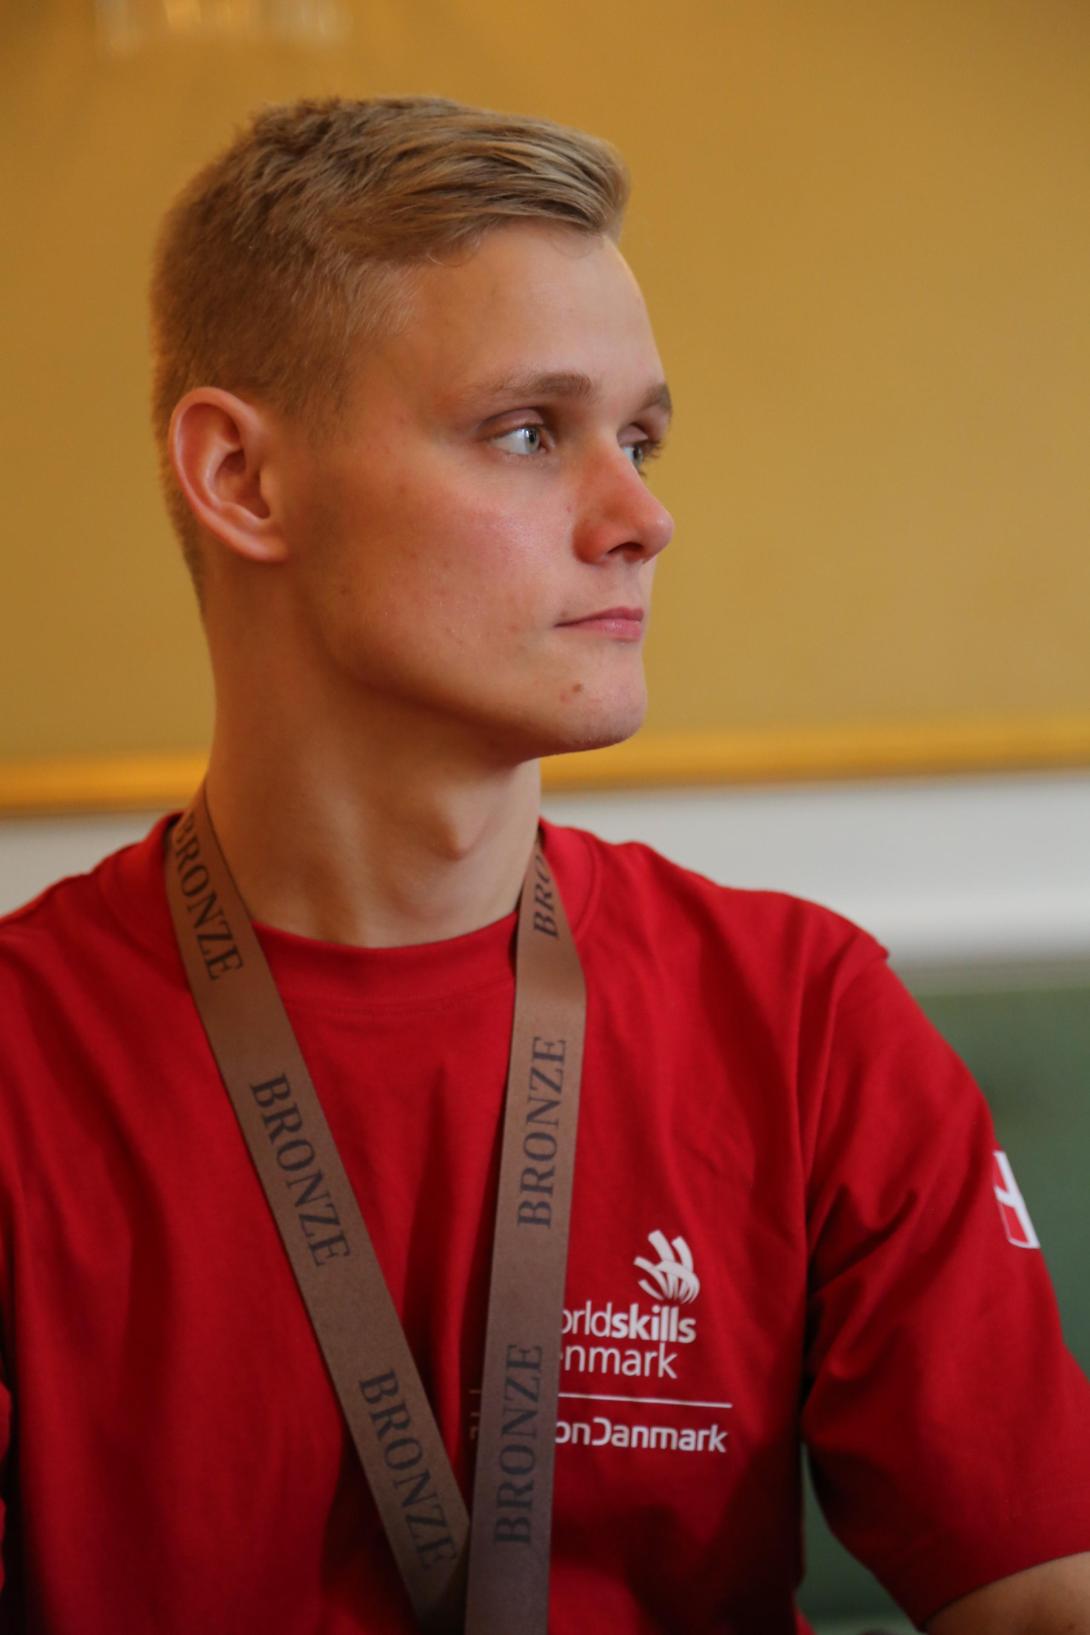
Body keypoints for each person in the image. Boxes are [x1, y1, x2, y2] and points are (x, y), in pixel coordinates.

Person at [0, 95, 1088, 1635]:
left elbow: (1040, 1596)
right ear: (242, 480)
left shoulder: (803, 1019)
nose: (643, 517)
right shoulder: (22, 1060)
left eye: (638, 438)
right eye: (528, 432)